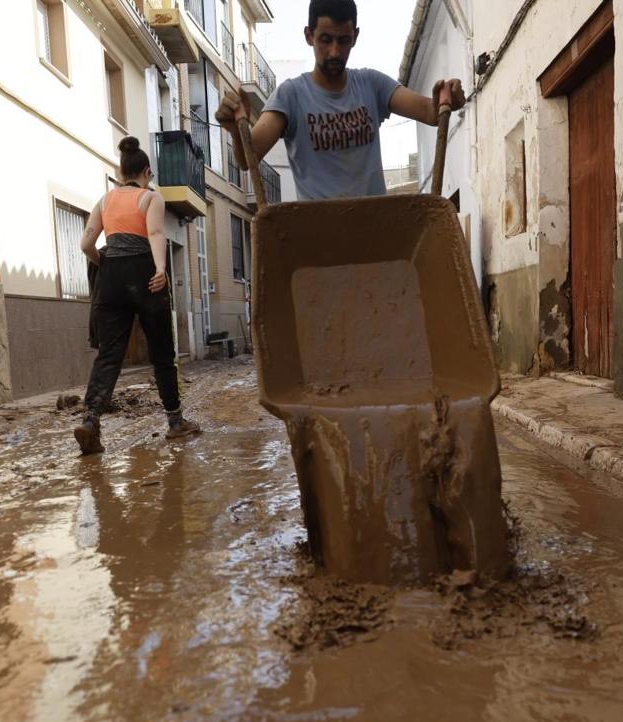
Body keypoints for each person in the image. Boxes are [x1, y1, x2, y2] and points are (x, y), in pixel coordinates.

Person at [216, 0, 466, 201]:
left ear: (355, 36)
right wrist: (235, 129)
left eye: (343, 40)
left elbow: (431, 112)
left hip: (376, 234)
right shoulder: (290, 96)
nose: (335, 51)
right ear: (309, 35)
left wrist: (448, 100)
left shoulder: (372, 84)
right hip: (321, 243)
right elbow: (248, 158)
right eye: (326, 39)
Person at [74, 136, 202, 456]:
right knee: (162, 351)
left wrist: (104, 263)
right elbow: (156, 233)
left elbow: (86, 244)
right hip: (144, 275)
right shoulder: (150, 198)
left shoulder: (104, 201)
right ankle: (175, 422)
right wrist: (160, 269)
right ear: (146, 171)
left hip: (112, 278)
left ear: (121, 171)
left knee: (109, 355)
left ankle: (90, 421)